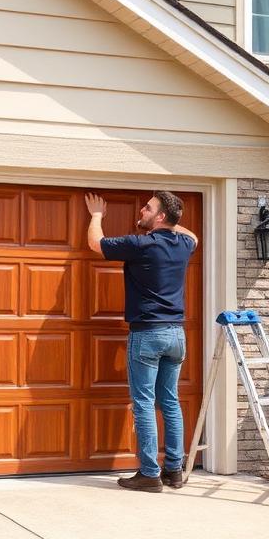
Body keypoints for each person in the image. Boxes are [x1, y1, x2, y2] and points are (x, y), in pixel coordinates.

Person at [85, 190, 198, 493]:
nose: (142, 210)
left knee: (144, 403)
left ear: (160, 217)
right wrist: (174, 223)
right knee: (170, 402)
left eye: (148, 208)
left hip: (148, 332)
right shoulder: (184, 244)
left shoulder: (141, 244)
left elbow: (96, 244)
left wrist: (97, 215)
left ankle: (149, 474)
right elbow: (193, 235)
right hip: (176, 334)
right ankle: (174, 470)